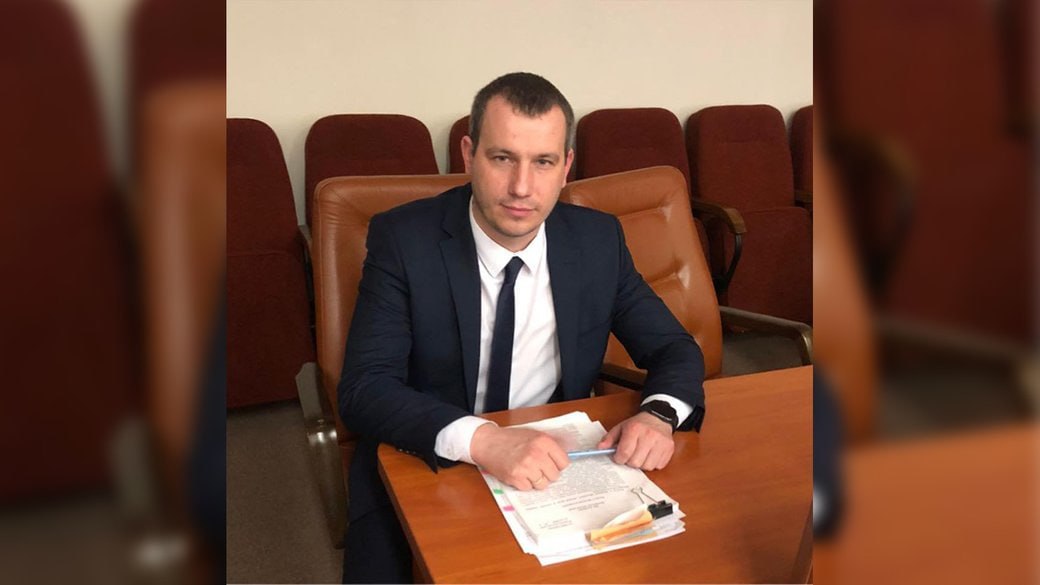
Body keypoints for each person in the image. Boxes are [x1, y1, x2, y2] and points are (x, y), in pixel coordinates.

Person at [338, 72, 705, 583]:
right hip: (428, 457)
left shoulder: (597, 241)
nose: (521, 188)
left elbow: (674, 348)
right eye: (502, 158)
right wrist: (484, 441)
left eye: (543, 162)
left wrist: (659, 415)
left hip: (557, 471)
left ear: (566, 166)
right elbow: (364, 388)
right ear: (469, 154)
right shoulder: (404, 239)